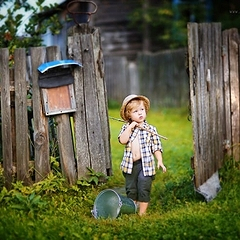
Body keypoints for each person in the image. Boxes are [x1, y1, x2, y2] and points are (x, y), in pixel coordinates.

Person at [118, 94, 167, 216]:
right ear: (129, 114)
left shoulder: (150, 129)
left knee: (144, 186)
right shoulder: (126, 128)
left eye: (142, 110)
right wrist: (130, 127)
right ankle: (132, 209)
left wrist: (159, 161)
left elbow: (156, 147)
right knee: (131, 189)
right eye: (135, 111)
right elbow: (122, 140)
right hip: (130, 165)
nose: (140, 113)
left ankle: (142, 213)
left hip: (146, 164)